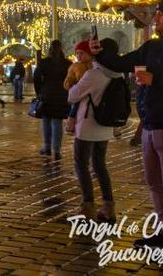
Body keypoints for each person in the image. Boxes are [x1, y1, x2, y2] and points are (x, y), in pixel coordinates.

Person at [90, 0, 163, 258]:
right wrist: (100, 53)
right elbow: (120, 63)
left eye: (160, 15)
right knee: (154, 181)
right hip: (150, 121)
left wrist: (157, 80)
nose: (155, 18)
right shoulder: (152, 47)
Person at [67, 38, 119, 223]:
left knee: (81, 165)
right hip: (105, 127)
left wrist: (75, 83)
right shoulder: (116, 74)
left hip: (87, 126)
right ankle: (108, 206)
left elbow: (72, 96)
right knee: (100, 165)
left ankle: (88, 207)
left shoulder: (93, 75)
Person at [33, 40, 71, 159]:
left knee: (46, 121)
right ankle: (57, 150)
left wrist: (39, 91)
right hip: (62, 95)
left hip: (47, 94)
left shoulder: (44, 63)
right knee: (57, 122)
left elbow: (36, 78)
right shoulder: (67, 63)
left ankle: (47, 147)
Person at [64, 40, 95, 134]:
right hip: (80, 91)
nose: (78, 56)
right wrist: (69, 83)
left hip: (93, 92)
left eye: (81, 53)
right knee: (75, 106)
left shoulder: (95, 65)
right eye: (77, 53)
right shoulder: (75, 66)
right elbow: (69, 78)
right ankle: (71, 123)